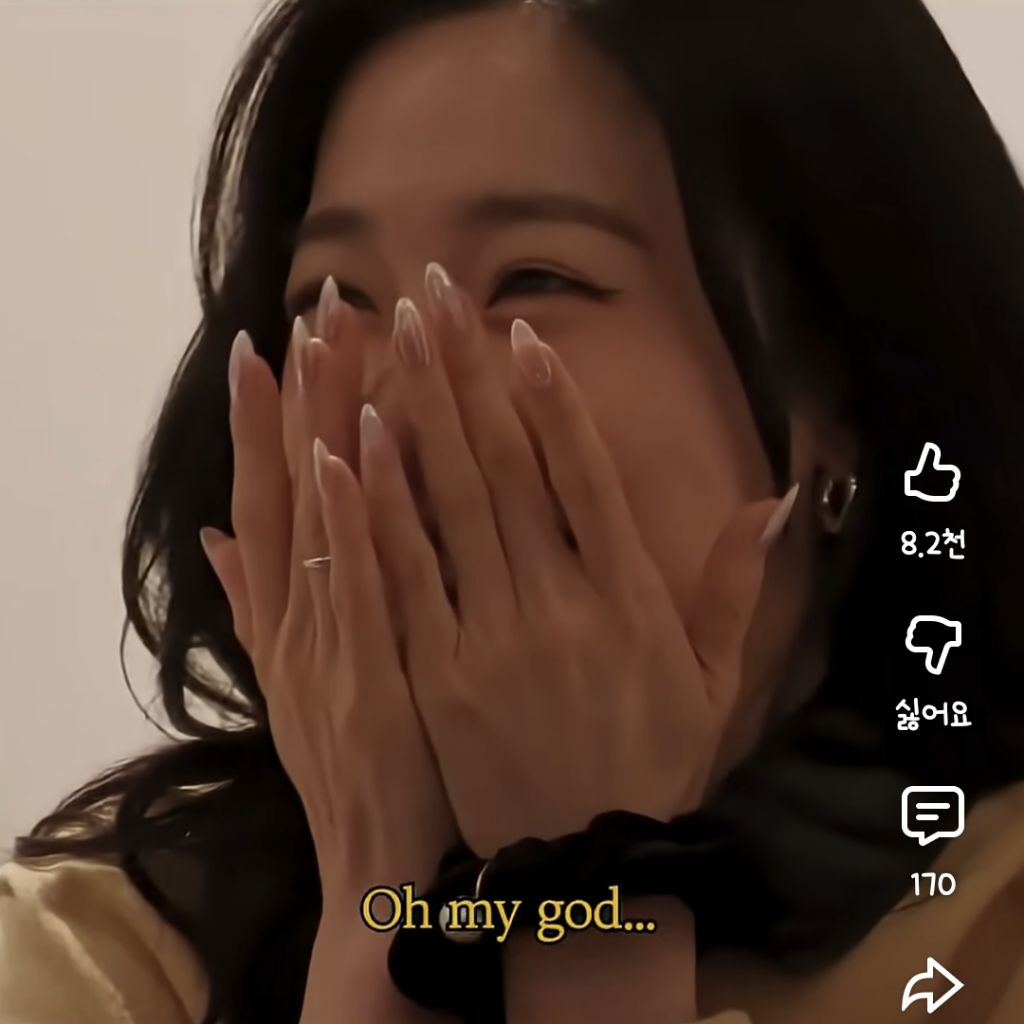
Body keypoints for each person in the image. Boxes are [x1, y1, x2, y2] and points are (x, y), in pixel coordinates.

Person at [3, 0, 1024, 1021]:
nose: (400, 405)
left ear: (838, 390)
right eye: (332, 299)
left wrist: (588, 889)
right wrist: (380, 896)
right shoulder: (100, 955)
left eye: (534, 279)